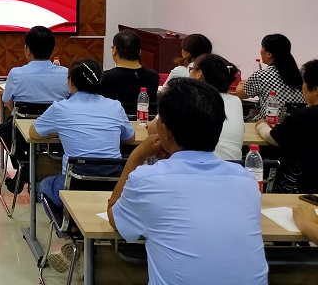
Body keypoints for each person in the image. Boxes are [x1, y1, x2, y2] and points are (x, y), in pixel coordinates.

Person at [108, 78, 268, 285]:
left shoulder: (146, 180)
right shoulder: (246, 180)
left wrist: (135, 158)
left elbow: (115, 218)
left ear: (165, 131)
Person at [29, 58, 135, 272]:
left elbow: (34, 132)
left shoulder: (61, 108)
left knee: (44, 185)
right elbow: (130, 137)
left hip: (74, 187)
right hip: (112, 189)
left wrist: (60, 129)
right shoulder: (115, 106)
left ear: (70, 82)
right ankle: (82, 245)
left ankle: (71, 238)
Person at [0, 26, 69, 194]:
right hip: (56, 135)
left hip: (23, 135)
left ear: (27, 50)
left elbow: (8, 102)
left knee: (3, 129)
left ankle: (25, 167)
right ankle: (32, 169)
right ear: (51, 49)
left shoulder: (16, 73)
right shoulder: (65, 73)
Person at [255, 58, 318, 193]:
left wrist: (261, 125)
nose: (302, 87)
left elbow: (273, 137)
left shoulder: (303, 116)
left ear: (315, 90)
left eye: (304, 82)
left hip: (307, 188)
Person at [235, 33, 305, 122]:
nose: (260, 50)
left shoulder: (261, 75)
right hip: (296, 124)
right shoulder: (299, 76)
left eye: (262, 47)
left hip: (268, 125)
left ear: (269, 54)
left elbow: (240, 94)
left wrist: (242, 83)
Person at [188, 53, 244, 161]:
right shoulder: (236, 101)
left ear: (198, 74)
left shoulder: (191, 99)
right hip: (233, 167)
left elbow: (155, 128)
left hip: (199, 167)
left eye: (191, 69)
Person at [100, 30, 159, 115]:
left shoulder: (106, 77)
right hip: (144, 122)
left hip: (114, 122)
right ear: (140, 52)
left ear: (115, 50)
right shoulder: (153, 76)